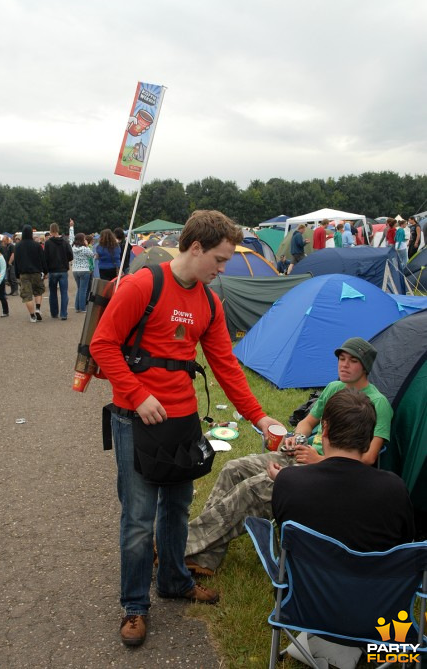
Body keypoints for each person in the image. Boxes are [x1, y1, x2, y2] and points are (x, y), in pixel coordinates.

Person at [89, 210, 283, 647]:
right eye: (219, 259)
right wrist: (138, 396)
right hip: (134, 419)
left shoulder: (211, 302)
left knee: (177, 508)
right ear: (195, 248)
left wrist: (261, 417)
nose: (222, 269)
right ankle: (135, 606)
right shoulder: (143, 285)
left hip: (182, 420)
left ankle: (174, 581)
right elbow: (103, 344)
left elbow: (227, 367)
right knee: (139, 520)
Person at [184, 337, 392, 575]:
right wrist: (296, 438)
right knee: (233, 468)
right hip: (300, 455)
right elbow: (307, 422)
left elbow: (367, 460)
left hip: (328, 472)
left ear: (365, 366)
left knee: (252, 488)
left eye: (352, 361)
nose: (343, 365)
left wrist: (319, 461)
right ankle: (205, 558)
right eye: (341, 359)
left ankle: (179, 547)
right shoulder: (334, 388)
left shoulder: (378, 404)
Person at [270, 389, 414, 551]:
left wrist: (283, 481)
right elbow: (404, 543)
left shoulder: (288, 481)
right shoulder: (395, 489)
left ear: (325, 431)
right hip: (373, 575)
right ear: (368, 441)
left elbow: (283, 529)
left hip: (307, 574)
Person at [14, 224, 48, 322]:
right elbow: (43, 260)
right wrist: (45, 271)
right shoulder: (37, 245)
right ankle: (37, 309)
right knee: (38, 291)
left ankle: (32, 315)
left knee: (27, 295)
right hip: (36, 272)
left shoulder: (18, 246)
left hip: (24, 273)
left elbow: (16, 261)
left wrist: (17, 274)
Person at [44, 222, 73, 320]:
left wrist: (46, 270)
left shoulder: (47, 243)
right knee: (64, 292)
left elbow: (45, 258)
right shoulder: (65, 242)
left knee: (52, 293)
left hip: (52, 270)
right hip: (63, 270)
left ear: (50, 230)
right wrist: (65, 261)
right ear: (58, 229)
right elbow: (70, 255)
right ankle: (64, 313)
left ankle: (54, 312)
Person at [71, 232, 94, 313]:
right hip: (84, 269)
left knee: (79, 288)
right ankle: (82, 307)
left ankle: (77, 307)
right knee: (83, 290)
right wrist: (87, 246)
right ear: (82, 240)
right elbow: (92, 255)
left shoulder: (73, 248)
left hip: (75, 270)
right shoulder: (85, 248)